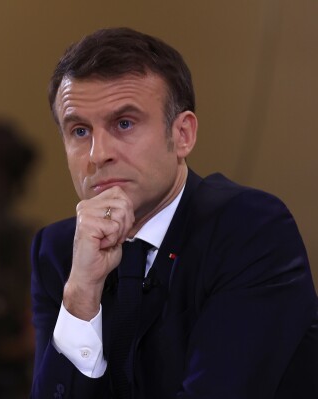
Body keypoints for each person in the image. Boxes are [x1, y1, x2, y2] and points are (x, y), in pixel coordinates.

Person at [30, 27, 318, 399]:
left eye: (124, 124)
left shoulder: (250, 229)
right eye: (80, 130)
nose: (97, 154)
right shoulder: (58, 252)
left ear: (182, 134)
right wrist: (81, 295)